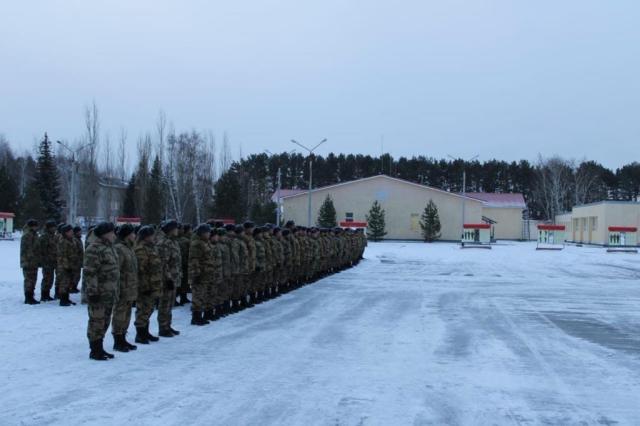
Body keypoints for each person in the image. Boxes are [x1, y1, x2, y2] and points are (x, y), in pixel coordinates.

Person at [83, 222, 119, 361]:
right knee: (96, 321)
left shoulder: (110, 248)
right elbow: (90, 272)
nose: (114, 235)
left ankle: (100, 347)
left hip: (109, 292)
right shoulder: (94, 249)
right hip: (98, 292)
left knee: (105, 321)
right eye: (111, 232)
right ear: (105, 234)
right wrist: (92, 291)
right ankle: (95, 350)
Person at [134, 225, 163, 344]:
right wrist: (145, 286)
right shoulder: (141, 249)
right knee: (143, 309)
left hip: (153, 283)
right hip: (146, 285)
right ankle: (140, 334)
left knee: (149, 308)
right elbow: (142, 270)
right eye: (151, 235)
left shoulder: (152, 248)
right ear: (145, 237)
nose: (153, 237)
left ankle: (145, 332)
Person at [112, 224, 138, 352]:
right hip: (122, 287)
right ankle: (117, 340)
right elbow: (117, 270)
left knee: (126, 314)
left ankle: (123, 337)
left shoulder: (129, 249)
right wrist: (118, 287)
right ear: (127, 235)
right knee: (119, 313)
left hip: (130, 287)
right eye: (133, 233)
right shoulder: (119, 249)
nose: (135, 236)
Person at [156, 220, 181, 337]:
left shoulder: (173, 242)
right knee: (165, 303)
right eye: (175, 228)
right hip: (167, 279)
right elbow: (163, 263)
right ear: (170, 230)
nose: (177, 230)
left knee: (170, 303)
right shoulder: (164, 243)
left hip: (174, 277)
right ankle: (163, 327)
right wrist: (168, 278)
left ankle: (168, 325)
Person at [188, 224, 213, 325]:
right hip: (199, 274)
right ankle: (196, 318)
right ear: (202, 233)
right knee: (198, 296)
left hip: (205, 273)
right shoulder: (197, 244)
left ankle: (200, 316)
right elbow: (194, 260)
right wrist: (196, 274)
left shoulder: (205, 242)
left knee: (202, 295)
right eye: (207, 232)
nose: (209, 234)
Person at [56, 224, 78, 306]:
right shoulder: (63, 242)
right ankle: (63, 300)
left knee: (68, 283)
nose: (72, 232)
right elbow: (62, 255)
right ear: (65, 233)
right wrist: (67, 266)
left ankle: (66, 298)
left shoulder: (71, 240)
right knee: (64, 283)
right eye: (70, 231)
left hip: (71, 265)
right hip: (64, 266)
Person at [20, 219, 41, 305]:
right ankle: (28, 297)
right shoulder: (27, 235)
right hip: (28, 262)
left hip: (33, 261)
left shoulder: (34, 234)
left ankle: (31, 296)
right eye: (36, 226)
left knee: (33, 280)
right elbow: (28, 250)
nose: (37, 228)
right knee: (29, 280)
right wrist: (32, 259)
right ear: (32, 226)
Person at [38, 220, 58, 301]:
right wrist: (43, 259)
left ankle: (47, 294)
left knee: (51, 279)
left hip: (52, 261)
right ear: (49, 228)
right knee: (47, 278)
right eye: (53, 227)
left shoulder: (53, 236)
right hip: (46, 261)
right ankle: (44, 295)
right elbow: (41, 250)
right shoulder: (44, 237)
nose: (55, 229)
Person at [177, 224, 192, 306]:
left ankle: (183, 297)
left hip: (184, 263)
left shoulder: (185, 240)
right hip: (181, 263)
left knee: (184, 282)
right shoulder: (183, 240)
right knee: (180, 282)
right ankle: (180, 297)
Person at [70, 226, 84, 294]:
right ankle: (72, 287)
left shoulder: (79, 239)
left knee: (77, 275)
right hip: (75, 261)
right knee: (74, 275)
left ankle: (74, 287)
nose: (80, 232)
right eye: (79, 231)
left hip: (79, 260)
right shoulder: (74, 240)